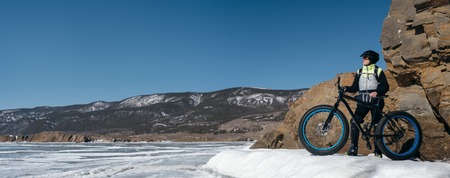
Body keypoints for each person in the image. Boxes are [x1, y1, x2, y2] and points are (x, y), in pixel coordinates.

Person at [343, 50, 389, 157]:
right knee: (354, 121)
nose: (363, 59)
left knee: (377, 124)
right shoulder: (359, 72)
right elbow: (355, 87)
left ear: (371, 59)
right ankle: (353, 148)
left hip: (376, 100)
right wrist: (346, 88)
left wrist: (377, 92)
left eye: (366, 58)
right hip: (362, 101)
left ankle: (378, 151)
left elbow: (385, 86)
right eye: (363, 57)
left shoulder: (378, 71)